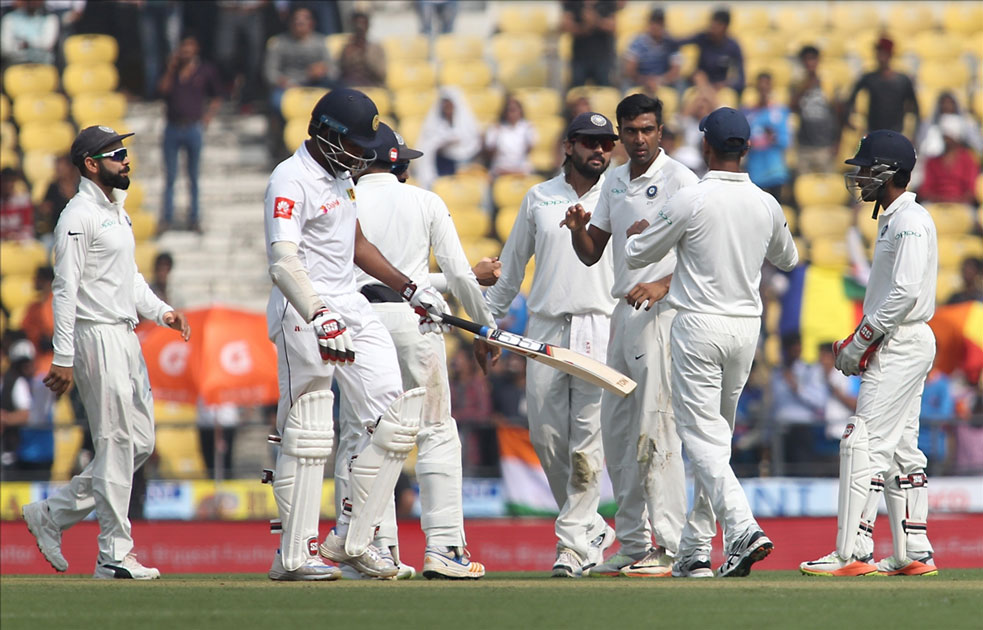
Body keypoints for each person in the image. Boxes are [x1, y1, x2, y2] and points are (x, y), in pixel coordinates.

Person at [262, 88, 451, 581]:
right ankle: (293, 555)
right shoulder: (290, 178)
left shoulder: (341, 176)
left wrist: (411, 287)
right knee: (308, 428)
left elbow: (357, 244)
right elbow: (284, 261)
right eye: (355, 143)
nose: (362, 155)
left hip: (350, 302)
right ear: (325, 133)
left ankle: (352, 537)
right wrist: (318, 313)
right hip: (303, 307)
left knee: (395, 417)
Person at [623, 106, 798, 578]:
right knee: (713, 440)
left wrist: (640, 231)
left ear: (706, 147)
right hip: (746, 330)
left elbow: (638, 251)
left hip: (698, 324)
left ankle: (741, 528)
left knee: (702, 439)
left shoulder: (692, 199)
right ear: (746, 149)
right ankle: (696, 549)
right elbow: (789, 257)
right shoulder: (766, 202)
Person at [22, 125, 192, 580]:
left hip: (125, 334)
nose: (125, 159)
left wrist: (162, 312)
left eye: (124, 152)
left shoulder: (117, 209)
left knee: (139, 443)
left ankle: (52, 514)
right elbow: (65, 288)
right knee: (116, 443)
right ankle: (114, 553)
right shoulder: (77, 215)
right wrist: (62, 356)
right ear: (91, 164)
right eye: (116, 153)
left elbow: (130, 277)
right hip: (94, 336)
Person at [335, 122, 496, 580]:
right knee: (435, 431)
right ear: (399, 164)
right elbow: (461, 276)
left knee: (365, 436)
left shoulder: (343, 202)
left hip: (356, 324)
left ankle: (374, 550)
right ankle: (445, 547)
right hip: (414, 322)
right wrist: (484, 328)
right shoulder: (425, 201)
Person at [562, 94, 699, 577]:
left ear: (660, 132)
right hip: (622, 314)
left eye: (647, 130)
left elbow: (703, 255)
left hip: (662, 315)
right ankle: (634, 542)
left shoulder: (681, 180)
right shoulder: (614, 180)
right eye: (630, 131)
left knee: (655, 426)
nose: (638, 139)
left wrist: (662, 285)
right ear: (620, 134)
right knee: (619, 433)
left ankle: (670, 544)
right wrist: (580, 229)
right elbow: (590, 253)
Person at [484, 111, 620, 578]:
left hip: (598, 329)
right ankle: (592, 527)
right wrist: (487, 324)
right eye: (589, 142)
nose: (599, 150)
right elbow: (510, 268)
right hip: (542, 329)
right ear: (569, 145)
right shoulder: (538, 198)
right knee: (546, 436)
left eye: (606, 142)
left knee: (586, 442)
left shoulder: (617, 197)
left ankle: (570, 546)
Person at [801, 130, 940, 577]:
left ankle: (851, 551)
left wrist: (862, 339)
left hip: (901, 340)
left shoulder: (910, 221)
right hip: (904, 339)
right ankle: (912, 551)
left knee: (862, 440)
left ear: (889, 172)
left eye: (866, 168)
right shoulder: (895, 218)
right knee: (901, 448)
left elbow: (903, 292)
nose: (859, 176)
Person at [157, 34, 222, 234]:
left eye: (189, 46)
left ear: (196, 49)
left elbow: (216, 96)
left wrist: (208, 117)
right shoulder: (172, 70)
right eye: (183, 46)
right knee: (170, 176)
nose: (186, 50)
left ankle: (194, 218)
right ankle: (166, 219)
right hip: (172, 127)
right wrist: (170, 68)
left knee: (193, 176)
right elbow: (161, 90)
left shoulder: (205, 70)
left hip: (193, 127)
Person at [264, 6, 333, 114]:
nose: (300, 22)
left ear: (312, 23)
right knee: (276, 104)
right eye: (296, 19)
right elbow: (270, 73)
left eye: (305, 19)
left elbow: (333, 69)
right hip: (287, 86)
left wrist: (323, 70)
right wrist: (283, 81)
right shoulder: (278, 43)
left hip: (316, 83)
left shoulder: (320, 42)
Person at [844, 37, 919, 134]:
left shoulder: (902, 80)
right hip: (874, 132)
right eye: (878, 52)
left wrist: (914, 132)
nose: (880, 56)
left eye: (883, 53)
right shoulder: (869, 78)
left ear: (890, 54)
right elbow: (851, 97)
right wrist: (848, 119)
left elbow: (915, 106)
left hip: (896, 133)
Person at [414, 87, 482, 189]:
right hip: (442, 168)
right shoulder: (433, 127)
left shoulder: (468, 128)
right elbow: (427, 147)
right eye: (444, 104)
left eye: (449, 104)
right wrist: (443, 146)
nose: (447, 107)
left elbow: (473, 145)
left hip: (466, 169)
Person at [790, 45, 838, 175]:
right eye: (806, 59)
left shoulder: (828, 83)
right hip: (804, 145)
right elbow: (791, 108)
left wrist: (837, 142)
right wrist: (805, 87)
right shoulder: (797, 84)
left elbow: (838, 113)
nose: (809, 63)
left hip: (825, 145)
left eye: (812, 59)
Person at [743, 72, 790, 202]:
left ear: (771, 87)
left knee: (775, 212)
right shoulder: (747, 113)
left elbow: (785, 141)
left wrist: (773, 136)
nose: (763, 89)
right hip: (755, 171)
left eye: (766, 85)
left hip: (775, 171)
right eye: (760, 86)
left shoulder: (780, 112)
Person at [679, 8, 745, 95]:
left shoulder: (733, 46)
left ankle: (707, 96)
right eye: (711, 23)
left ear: (724, 27)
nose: (711, 27)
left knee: (704, 96)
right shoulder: (703, 38)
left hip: (719, 86)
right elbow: (679, 42)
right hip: (699, 82)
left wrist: (725, 84)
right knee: (697, 77)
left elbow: (740, 80)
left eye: (716, 24)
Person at [917, 115, 979, 204]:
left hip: (962, 205)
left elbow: (971, 190)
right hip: (935, 204)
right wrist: (940, 200)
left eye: (948, 137)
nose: (946, 140)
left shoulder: (968, 159)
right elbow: (924, 190)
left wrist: (956, 201)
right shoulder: (932, 161)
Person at [622, 8, 680, 92]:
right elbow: (630, 70)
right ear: (649, 23)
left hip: (664, 81)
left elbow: (675, 70)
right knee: (625, 85)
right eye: (654, 22)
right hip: (640, 81)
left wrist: (659, 81)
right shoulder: (637, 42)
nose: (657, 26)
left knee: (680, 85)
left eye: (660, 23)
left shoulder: (671, 42)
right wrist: (646, 81)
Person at [561, 1, 617, 88]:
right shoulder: (573, 3)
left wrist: (594, 20)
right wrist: (586, 26)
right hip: (579, 57)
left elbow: (612, 26)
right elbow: (566, 27)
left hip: (603, 57)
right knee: (577, 92)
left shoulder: (607, 3)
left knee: (605, 90)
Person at [484, 95, 536, 177]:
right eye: (509, 111)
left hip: (521, 169)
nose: (511, 114)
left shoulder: (527, 127)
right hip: (500, 169)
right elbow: (489, 153)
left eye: (514, 110)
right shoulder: (495, 128)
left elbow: (529, 149)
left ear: (520, 111)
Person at [36, 155, 80, 246]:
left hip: (80, 230)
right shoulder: (53, 187)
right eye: (57, 168)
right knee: (46, 242)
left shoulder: (81, 186)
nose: (58, 171)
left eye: (62, 168)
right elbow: (44, 208)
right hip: (57, 232)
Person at [0, 0, 59, 65]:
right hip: (15, 64)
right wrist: (21, 46)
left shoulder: (50, 18)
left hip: (43, 65)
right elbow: (6, 48)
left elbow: (47, 44)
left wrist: (26, 44)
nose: (32, 2)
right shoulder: (9, 18)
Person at [337, 11, 385, 88]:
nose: (360, 27)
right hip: (350, 84)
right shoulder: (347, 47)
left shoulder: (376, 48)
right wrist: (348, 54)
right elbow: (340, 71)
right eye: (356, 24)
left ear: (367, 26)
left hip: (372, 85)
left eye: (363, 23)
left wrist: (365, 52)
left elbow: (381, 74)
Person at [0, 167, 35, 241]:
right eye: (4, 181)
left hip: (19, 242)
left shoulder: (23, 201)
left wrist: (16, 237)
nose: (7, 185)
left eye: (10, 181)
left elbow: (28, 228)